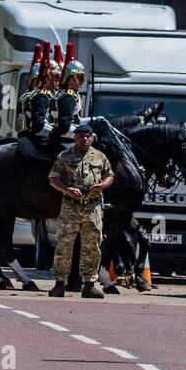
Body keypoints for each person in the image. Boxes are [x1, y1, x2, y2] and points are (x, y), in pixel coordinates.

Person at [48, 123, 113, 298]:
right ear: (75, 138)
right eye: (80, 136)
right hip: (71, 206)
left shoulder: (100, 157)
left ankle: (89, 285)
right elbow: (53, 178)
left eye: (87, 136)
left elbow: (110, 176)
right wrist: (66, 189)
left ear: (92, 138)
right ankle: (59, 283)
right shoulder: (65, 156)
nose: (84, 139)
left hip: (93, 206)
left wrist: (102, 185)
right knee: (65, 244)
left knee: (92, 246)